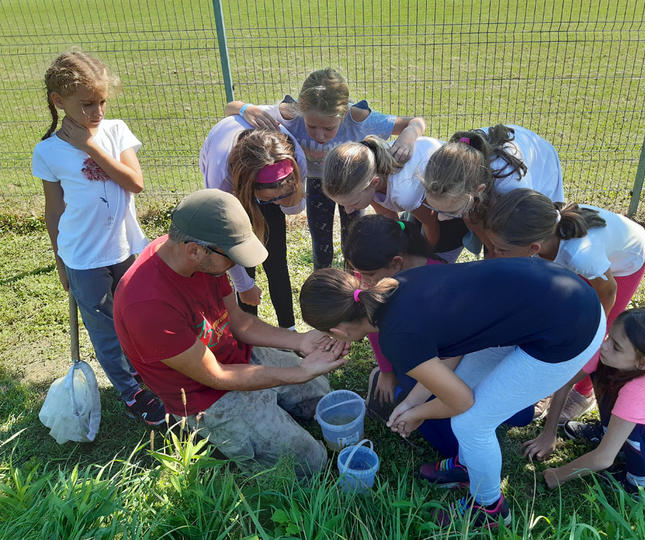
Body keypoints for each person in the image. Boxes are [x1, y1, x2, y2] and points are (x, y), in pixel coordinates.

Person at [299, 258, 605, 527]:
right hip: (562, 296)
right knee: (466, 404)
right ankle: (468, 463)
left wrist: (418, 413)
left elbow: (461, 400)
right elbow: (454, 349)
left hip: (571, 332)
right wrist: (412, 403)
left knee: (470, 423)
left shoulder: (397, 337)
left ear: (337, 331)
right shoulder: (392, 287)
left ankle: (491, 509)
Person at [113, 189, 349, 475]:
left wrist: (301, 341)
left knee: (321, 395)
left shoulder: (196, 252)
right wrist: (298, 372)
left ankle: (276, 409)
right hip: (206, 395)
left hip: (235, 357)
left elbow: (239, 322)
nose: (236, 265)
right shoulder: (147, 306)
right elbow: (217, 376)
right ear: (195, 251)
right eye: (231, 256)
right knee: (308, 463)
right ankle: (220, 429)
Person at [32, 50, 165, 425]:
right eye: (87, 104)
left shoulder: (114, 131)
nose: (98, 112)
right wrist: (60, 261)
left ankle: (150, 373)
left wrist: (89, 146)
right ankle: (131, 391)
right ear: (59, 102)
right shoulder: (48, 151)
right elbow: (54, 210)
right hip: (83, 257)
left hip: (128, 248)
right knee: (105, 329)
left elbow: (135, 183)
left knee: (138, 317)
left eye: (102, 102)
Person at [345, 215, 533, 456]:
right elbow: (371, 326)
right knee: (450, 446)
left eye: (368, 274)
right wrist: (386, 370)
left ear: (396, 262)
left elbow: (461, 344)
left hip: (456, 353)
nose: (364, 282)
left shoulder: (440, 279)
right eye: (358, 273)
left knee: (521, 416)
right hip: (421, 361)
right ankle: (405, 390)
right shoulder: (377, 283)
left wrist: (427, 397)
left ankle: (412, 395)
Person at [480, 189, 645, 446]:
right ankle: (547, 384)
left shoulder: (582, 256)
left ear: (533, 248)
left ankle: (583, 392)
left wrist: (593, 331)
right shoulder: (543, 243)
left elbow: (607, 290)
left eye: (501, 249)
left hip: (623, 263)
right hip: (591, 259)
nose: (495, 254)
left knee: (596, 340)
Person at [225, 68, 426, 269]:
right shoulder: (290, 114)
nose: (319, 136)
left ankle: (351, 280)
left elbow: (416, 122)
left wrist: (409, 136)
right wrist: (246, 109)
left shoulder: (358, 118)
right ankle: (323, 279)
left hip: (351, 184)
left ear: (345, 113)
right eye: (311, 126)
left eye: (329, 128)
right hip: (317, 183)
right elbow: (230, 107)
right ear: (301, 111)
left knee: (353, 236)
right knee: (320, 241)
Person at [542, 307, 645, 495]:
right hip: (638, 428)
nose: (605, 346)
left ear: (644, 364)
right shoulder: (611, 355)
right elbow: (564, 382)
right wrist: (548, 434)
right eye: (609, 337)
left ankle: (640, 484)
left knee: (638, 422)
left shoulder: (641, 390)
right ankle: (610, 434)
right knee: (604, 372)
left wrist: (557, 475)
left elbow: (603, 458)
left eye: (616, 346)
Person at [200, 116, 307, 329]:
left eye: (280, 196)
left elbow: (295, 208)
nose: (274, 203)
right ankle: (250, 331)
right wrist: (244, 286)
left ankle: (289, 330)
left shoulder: (295, 159)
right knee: (243, 260)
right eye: (268, 199)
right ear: (252, 191)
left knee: (276, 261)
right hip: (234, 178)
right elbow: (225, 239)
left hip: (263, 177)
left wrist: (287, 200)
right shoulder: (220, 180)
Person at [420, 125, 563, 255]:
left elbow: (508, 249)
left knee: (508, 242)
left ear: (478, 190)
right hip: (487, 179)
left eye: (449, 212)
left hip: (539, 164)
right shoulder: (441, 167)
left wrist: (480, 232)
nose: (440, 217)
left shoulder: (510, 185)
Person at [322, 135, 467, 263]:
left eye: (353, 203)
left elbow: (431, 224)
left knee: (437, 264)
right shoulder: (366, 178)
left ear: (374, 183)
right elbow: (389, 217)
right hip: (424, 202)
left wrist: (425, 257)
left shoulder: (403, 193)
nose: (347, 211)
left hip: (457, 202)